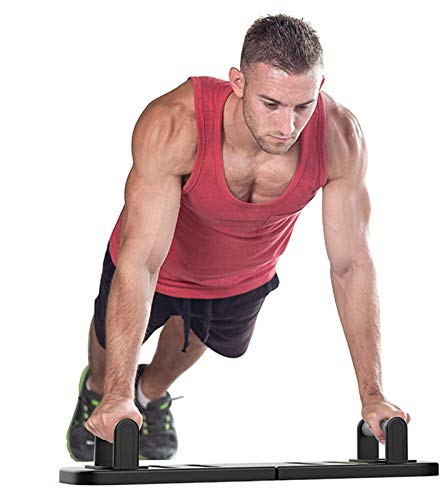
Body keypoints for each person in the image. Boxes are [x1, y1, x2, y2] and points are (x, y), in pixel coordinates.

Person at [67, 13, 410, 462]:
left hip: (241, 275)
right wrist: (115, 393)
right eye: (271, 104)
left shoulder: (340, 136)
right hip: (156, 261)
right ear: (238, 83)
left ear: (320, 88)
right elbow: (142, 260)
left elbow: (351, 266)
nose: (287, 127)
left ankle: (149, 395)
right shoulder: (176, 123)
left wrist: (373, 395)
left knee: (183, 352)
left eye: (302, 106)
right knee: (108, 358)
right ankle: (99, 393)